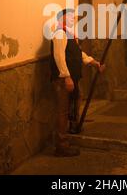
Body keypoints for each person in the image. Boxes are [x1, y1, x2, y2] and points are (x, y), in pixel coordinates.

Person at [50, 9, 105, 157]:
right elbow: (59, 56)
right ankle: (61, 146)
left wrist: (94, 63)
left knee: (75, 100)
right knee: (63, 111)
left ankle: (73, 128)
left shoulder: (69, 34)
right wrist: (66, 76)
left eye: (73, 17)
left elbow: (78, 54)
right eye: (70, 16)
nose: (73, 19)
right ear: (62, 18)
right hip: (64, 79)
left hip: (71, 78)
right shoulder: (60, 33)